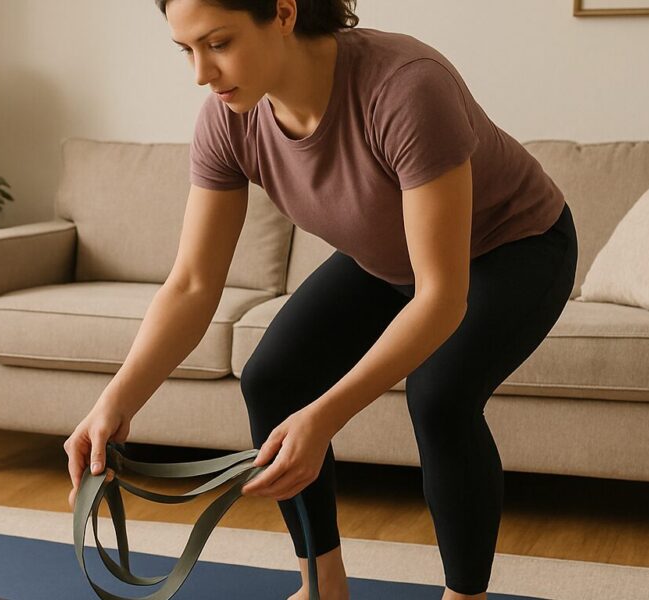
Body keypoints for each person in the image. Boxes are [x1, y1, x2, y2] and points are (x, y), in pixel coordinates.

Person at [64, 0, 578, 599]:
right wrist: (116, 400)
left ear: (283, 12)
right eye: (187, 49)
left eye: (219, 43)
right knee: (273, 379)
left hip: (513, 247)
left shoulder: (407, 87)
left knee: (440, 396)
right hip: (388, 261)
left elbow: (441, 297)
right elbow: (193, 284)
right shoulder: (228, 119)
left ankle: (465, 596)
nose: (201, 73)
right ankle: (321, 586)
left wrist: (326, 415)